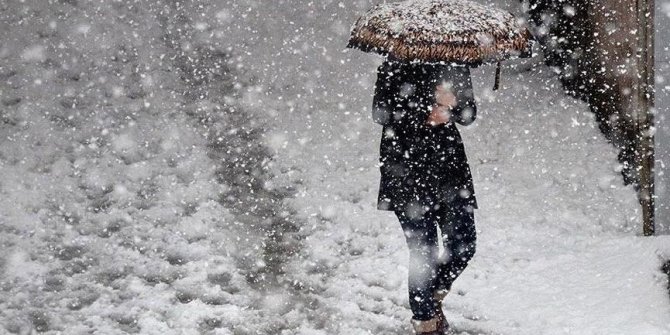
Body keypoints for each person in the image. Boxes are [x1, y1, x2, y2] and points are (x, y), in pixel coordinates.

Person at [372, 57, 478, 335]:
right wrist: (426, 107)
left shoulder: (454, 62)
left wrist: (452, 109)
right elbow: (381, 113)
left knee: (464, 243)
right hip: (406, 170)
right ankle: (426, 322)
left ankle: (431, 297)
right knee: (424, 252)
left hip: (449, 170)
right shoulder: (394, 63)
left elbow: (469, 113)